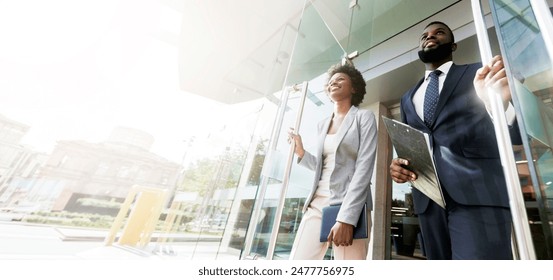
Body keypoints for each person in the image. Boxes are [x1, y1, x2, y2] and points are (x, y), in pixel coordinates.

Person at [389, 21, 522, 260]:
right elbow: (413, 145)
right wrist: (399, 164)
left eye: (439, 32)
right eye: (425, 35)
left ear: (454, 45)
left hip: (478, 195)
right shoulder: (407, 97)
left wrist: (498, 104)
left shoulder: (479, 73)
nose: (430, 36)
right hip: (428, 202)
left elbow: (516, 135)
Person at [287, 62, 378, 260]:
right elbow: (326, 166)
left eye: (340, 79)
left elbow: (364, 168)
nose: (333, 83)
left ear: (353, 87)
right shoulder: (322, 124)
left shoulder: (364, 117)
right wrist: (301, 152)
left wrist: (347, 217)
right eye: (331, 81)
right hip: (317, 203)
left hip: (350, 204)